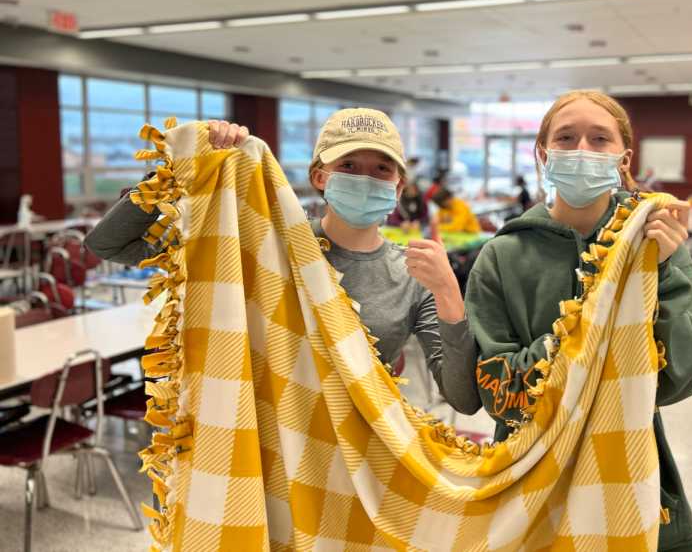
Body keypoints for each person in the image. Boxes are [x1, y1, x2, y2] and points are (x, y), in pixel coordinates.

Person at [84, 111, 481, 415]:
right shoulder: (267, 242)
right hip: (263, 444)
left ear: (398, 186)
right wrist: (183, 162)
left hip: (356, 458)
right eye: (348, 166)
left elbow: (463, 401)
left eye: (381, 169)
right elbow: (109, 245)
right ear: (319, 177)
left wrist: (448, 293)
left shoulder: (412, 277)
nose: (365, 178)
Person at [465, 90, 692, 552]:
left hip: (633, 470)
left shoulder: (656, 249)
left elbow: (683, 376)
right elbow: (498, 393)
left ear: (623, 158)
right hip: (528, 477)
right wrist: (595, 331)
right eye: (566, 138)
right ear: (542, 154)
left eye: (599, 139)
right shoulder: (502, 256)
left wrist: (665, 270)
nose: (582, 150)